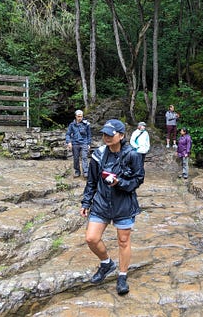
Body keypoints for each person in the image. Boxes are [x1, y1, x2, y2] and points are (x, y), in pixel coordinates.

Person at [80, 119, 144, 295]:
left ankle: (122, 276)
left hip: (123, 204)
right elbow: (91, 181)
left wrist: (119, 182)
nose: (106, 137)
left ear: (121, 135)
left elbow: (138, 179)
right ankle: (106, 263)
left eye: (110, 134)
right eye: (104, 134)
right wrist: (86, 202)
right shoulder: (98, 154)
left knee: (123, 241)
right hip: (101, 203)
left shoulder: (132, 155)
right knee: (91, 238)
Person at [65, 109, 92, 178]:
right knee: (76, 158)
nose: (80, 118)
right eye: (78, 116)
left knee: (84, 157)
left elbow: (89, 135)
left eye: (81, 116)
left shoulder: (86, 124)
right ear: (75, 116)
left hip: (84, 143)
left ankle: (85, 172)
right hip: (75, 143)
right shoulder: (72, 125)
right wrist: (69, 142)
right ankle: (77, 171)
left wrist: (89, 144)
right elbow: (68, 134)